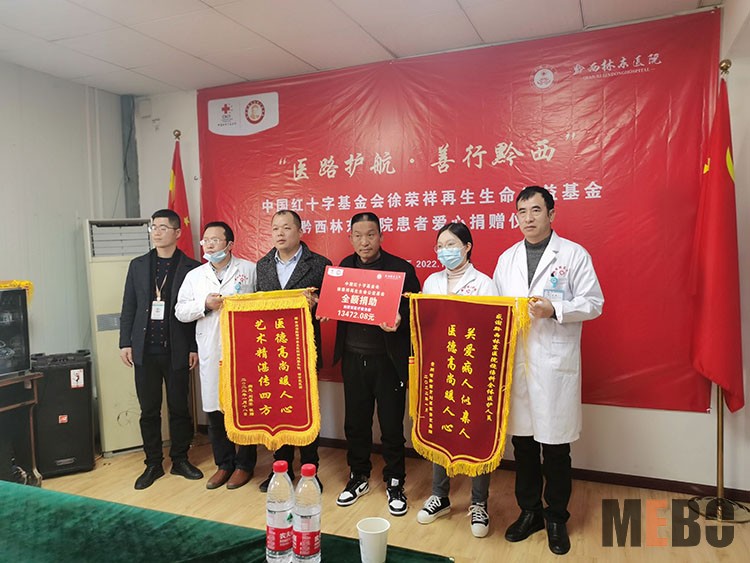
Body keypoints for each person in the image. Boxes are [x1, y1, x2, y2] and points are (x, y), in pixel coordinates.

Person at [493, 186, 603, 555]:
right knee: (523, 444)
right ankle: (530, 512)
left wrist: (554, 310)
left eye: (536, 210)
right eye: (522, 211)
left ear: (551, 214)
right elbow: (496, 308)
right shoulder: (507, 259)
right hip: (518, 363)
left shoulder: (572, 255)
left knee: (555, 447)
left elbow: (594, 302)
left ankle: (556, 517)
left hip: (554, 365)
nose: (528, 218)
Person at [332, 212, 421, 517]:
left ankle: (395, 481)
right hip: (353, 358)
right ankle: (358, 476)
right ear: (350, 238)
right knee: (356, 423)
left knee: (391, 424)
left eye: (370, 235)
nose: (364, 241)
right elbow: (338, 303)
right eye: (358, 235)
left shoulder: (401, 269)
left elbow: (415, 308)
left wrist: (400, 319)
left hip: (388, 361)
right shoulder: (343, 267)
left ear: (381, 236)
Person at [415, 222, 497, 538]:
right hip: (439, 368)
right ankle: (440, 496)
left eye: (451, 245)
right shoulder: (432, 282)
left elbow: (492, 328)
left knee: (477, 432)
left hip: (474, 371)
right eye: (440, 246)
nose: (445, 251)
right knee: (441, 428)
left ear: (467, 247)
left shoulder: (485, 284)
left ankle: (479, 502)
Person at [119, 209, 204, 490]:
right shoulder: (138, 265)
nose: (156, 232)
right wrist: (125, 342)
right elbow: (129, 306)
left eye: (163, 227)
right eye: (153, 227)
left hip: (177, 348)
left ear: (177, 232)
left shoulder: (192, 268)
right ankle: (153, 463)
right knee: (149, 410)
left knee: (179, 408)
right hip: (144, 349)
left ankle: (180, 459)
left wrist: (193, 346)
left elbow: (196, 312)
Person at [175, 222, 258, 490]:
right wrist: (205, 305)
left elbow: (264, 302)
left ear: (230, 244)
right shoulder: (195, 276)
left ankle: (244, 465)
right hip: (211, 349)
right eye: (205, 241)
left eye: (215, 240)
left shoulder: (249, 269)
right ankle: (224, 464)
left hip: (243, 349)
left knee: (243, 407)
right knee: (215, 410)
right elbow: (180, 310)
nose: (209, 245)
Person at [255, 210, 331, 492]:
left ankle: (310, 469)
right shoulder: (262, 265)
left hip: (305, 349)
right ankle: (282, 468)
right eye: (275, 228)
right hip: (273, 349)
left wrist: (318, 302)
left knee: (307, 410)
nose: (280, 233)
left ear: (299, 232)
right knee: (278, 410)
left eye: (286, 228)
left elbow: (330, 306)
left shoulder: (320, 264)